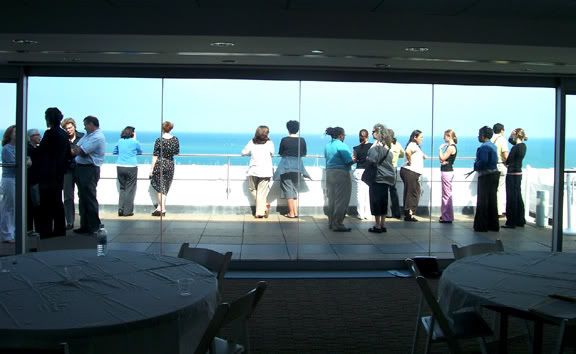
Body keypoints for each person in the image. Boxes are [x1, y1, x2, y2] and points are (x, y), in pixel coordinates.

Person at [36, 108, 71, 238]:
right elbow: (68, 154)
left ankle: (46, 231)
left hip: (47, 174)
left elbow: (41, 152)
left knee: (46, 204)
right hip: (59, 174)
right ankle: (60, 230)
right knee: (57, 202)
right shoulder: (63, 134)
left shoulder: (49, 134)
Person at [72, 115, 106, 234]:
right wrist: (77, 150)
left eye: (85, 124)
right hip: (82, 168)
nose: (84, 127)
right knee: (83, 197)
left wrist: (78, 150)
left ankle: (94, 226)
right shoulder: (88, 135)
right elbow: (76, 147)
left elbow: (80, 151)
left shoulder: (97, 137)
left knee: (89, 197)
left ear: (91, 124)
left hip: (89, 169)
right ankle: (85, 225)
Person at [276, 120, 309, 219]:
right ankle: (295, 212)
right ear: (298, 129)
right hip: (298, 166)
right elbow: (303, 153)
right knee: (294, 189)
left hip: (286, 166)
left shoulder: (284, 140)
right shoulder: (302, 140)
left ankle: (291, 212)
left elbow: (281, 152)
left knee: (287, 188)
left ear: (288, 129)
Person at [366, 124, 396, 233]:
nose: (372, 133)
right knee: (384, 201)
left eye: (374, 131)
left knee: (376, 202)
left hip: (377, 177)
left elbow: (371, 160)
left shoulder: (376, 148)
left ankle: (377, 225)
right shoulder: (389, 149)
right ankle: (383, 224)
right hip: (387, 178)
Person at [324, 126, 354, 232]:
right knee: (341, 200)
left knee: (331, 199)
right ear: (341, 135)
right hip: (341, 174)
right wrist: (356, 158)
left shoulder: (328, 146)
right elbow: (348, 161)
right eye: (344, 135)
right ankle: (338, 223)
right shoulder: (342, 146)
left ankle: (331, 222)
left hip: (329, 173)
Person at [242, 125, 275, 218]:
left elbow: (243, 152)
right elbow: (272, 153)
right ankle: (264, 206)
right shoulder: (270, 143)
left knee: (252, 189)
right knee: (262, 192)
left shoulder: (251, 142)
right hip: (266, 170)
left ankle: (259, 213)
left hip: (254, 170)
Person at [472, 126, 500, 232]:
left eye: (479, 134)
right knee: (492, 201)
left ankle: (482, 226)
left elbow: (483, 161)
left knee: (483, 201)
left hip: (486, 176)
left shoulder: (484, 147)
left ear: (483, 136)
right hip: (494, 175)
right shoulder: (493, 146)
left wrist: (476, 165)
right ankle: (493, 225)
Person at [150, 121, 179, 216]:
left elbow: (155, 155)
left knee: (159, 187)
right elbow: (176, 152)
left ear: (163, 129)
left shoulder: (159, 140)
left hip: (160, 164)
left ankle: (162, 209)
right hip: (170, 164)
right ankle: (160, 207)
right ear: (171, 128)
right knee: (165, 187)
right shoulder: (175, 139)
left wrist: (151, 169)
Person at [114, 126, 142, 217]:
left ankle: (120, 209)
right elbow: (140, 151)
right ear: (132, 133)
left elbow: (115, 151)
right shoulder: (135, 142)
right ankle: (127, 211)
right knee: (130, 189)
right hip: (131, 167)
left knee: (122, 188)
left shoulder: (119, 141)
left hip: (120, 166)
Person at [61, 117, 84, 229]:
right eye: (66, 128)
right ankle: (70, 221)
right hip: (67, 170)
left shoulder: (82, 137)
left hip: (80, 169)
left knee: (83, 195)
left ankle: (84, 220)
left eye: (70, 128)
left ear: (74, 127)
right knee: (68, 197)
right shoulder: (62, 139)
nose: (68, 130)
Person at [503, 128, 528, 229]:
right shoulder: (523, 146)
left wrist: (511, 135)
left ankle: (511, 221)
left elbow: (508, 161)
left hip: (512, 174)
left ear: (516, 135)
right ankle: (520, 219)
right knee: (518, 196)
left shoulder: (515, 148)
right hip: (519, 173)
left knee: (511, 197)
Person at [400, 130, 425, 222]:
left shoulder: (415, 146)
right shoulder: (412, 145)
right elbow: (407, 152)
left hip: (411, 172)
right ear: (415, 137)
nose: (422, 139)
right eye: (421, 137)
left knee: (412, 192)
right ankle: (409, 214)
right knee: (412, 193)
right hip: (410, 171)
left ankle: (408, 213)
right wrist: (410, 161)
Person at [0, 125, 16, 243]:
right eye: (15, 132)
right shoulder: (7, 148)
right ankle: (6, 234)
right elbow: (14, 164)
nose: (17, 134)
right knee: (8, 207)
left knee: (14, 207)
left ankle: (12, 232)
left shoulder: (19, 148)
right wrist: (26, 161)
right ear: (9, 134)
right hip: (9, 180)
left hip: (16, 179)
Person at [352, 129, 373, 220]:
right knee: (368, 193)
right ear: (368, 136)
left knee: (359, 193)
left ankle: (360, 214)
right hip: (368, 171)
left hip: (359, 171)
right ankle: (367, 214)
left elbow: (354, 160)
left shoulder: (355, 148)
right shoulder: (372, 147)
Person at [438, 129, 458, 224]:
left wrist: (440, 149)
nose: (443, 138)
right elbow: (443, 160)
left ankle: (447, 217)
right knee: (447, 194)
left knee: (446, 195)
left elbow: (442, 158)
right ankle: (447, 215)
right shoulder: (452, 147)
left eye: (445, 136)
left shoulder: (450, 147)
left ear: (449, 136)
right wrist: (443, 160)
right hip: (448, 170)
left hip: (446, 171)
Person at [491, 123, 509, 216]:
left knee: (493, 189)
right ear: (502, 130)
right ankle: (498, 211)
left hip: (492, 166)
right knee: (500, 189)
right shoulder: (502, 139)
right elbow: (505, 155)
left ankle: (492, 209)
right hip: (500, 165)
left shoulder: (491, 139)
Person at [27, 129, 42, 236]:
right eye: (36, 135)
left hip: (36, 179)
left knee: (35, 204)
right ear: (30, 137)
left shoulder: (35, 148)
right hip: (32, 180)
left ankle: (34, 228)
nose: (39, 136)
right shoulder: (30, 149)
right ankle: (31, 228)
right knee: (34, 205)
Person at [388, 129, 404, 219]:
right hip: (394, 168)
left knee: (385, 190)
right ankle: (396, 212)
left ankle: (387, 212)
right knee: (393, 190)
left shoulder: (386, 145)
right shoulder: (397, 144)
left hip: (386, 168)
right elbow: (402, 154)